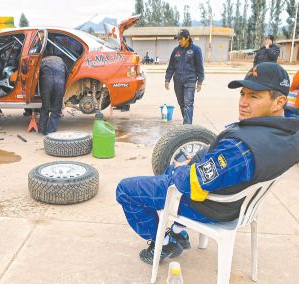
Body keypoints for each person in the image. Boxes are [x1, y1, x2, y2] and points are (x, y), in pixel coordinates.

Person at [116, 62, 299, 265]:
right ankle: (178, 231)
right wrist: (192, 162)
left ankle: (165, 243)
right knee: (179, 168)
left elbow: (191, 183)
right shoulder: (289, 133)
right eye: (243, 94)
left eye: (254, 96)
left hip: (211, 207)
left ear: (279, 102)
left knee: (126, 189)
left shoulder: (240, 150)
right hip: (237, 199)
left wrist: (179, 170)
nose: (243, 102)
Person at [165, 29, 204, 124]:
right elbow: (171, 66)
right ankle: (186, 123)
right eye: (178, 39)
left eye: (181, 39)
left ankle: (187, 127)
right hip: (178, 81)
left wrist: (200, 82)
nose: (179, 41)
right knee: (181, 103)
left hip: (190, 80)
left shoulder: (196, 50)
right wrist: (167, 79)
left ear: (187, 38)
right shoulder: (176, 50)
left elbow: (200, 66)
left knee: (188, 104)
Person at [38, 55, 67, 135]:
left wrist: (41, 91)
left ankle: (41, 130)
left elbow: (37, 77)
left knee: (45, 107)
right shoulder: (61, 60)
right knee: (56, 109)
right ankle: (50, 131)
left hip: (46, 83)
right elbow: (67, 75)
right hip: (59, 83)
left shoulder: (42, 61)